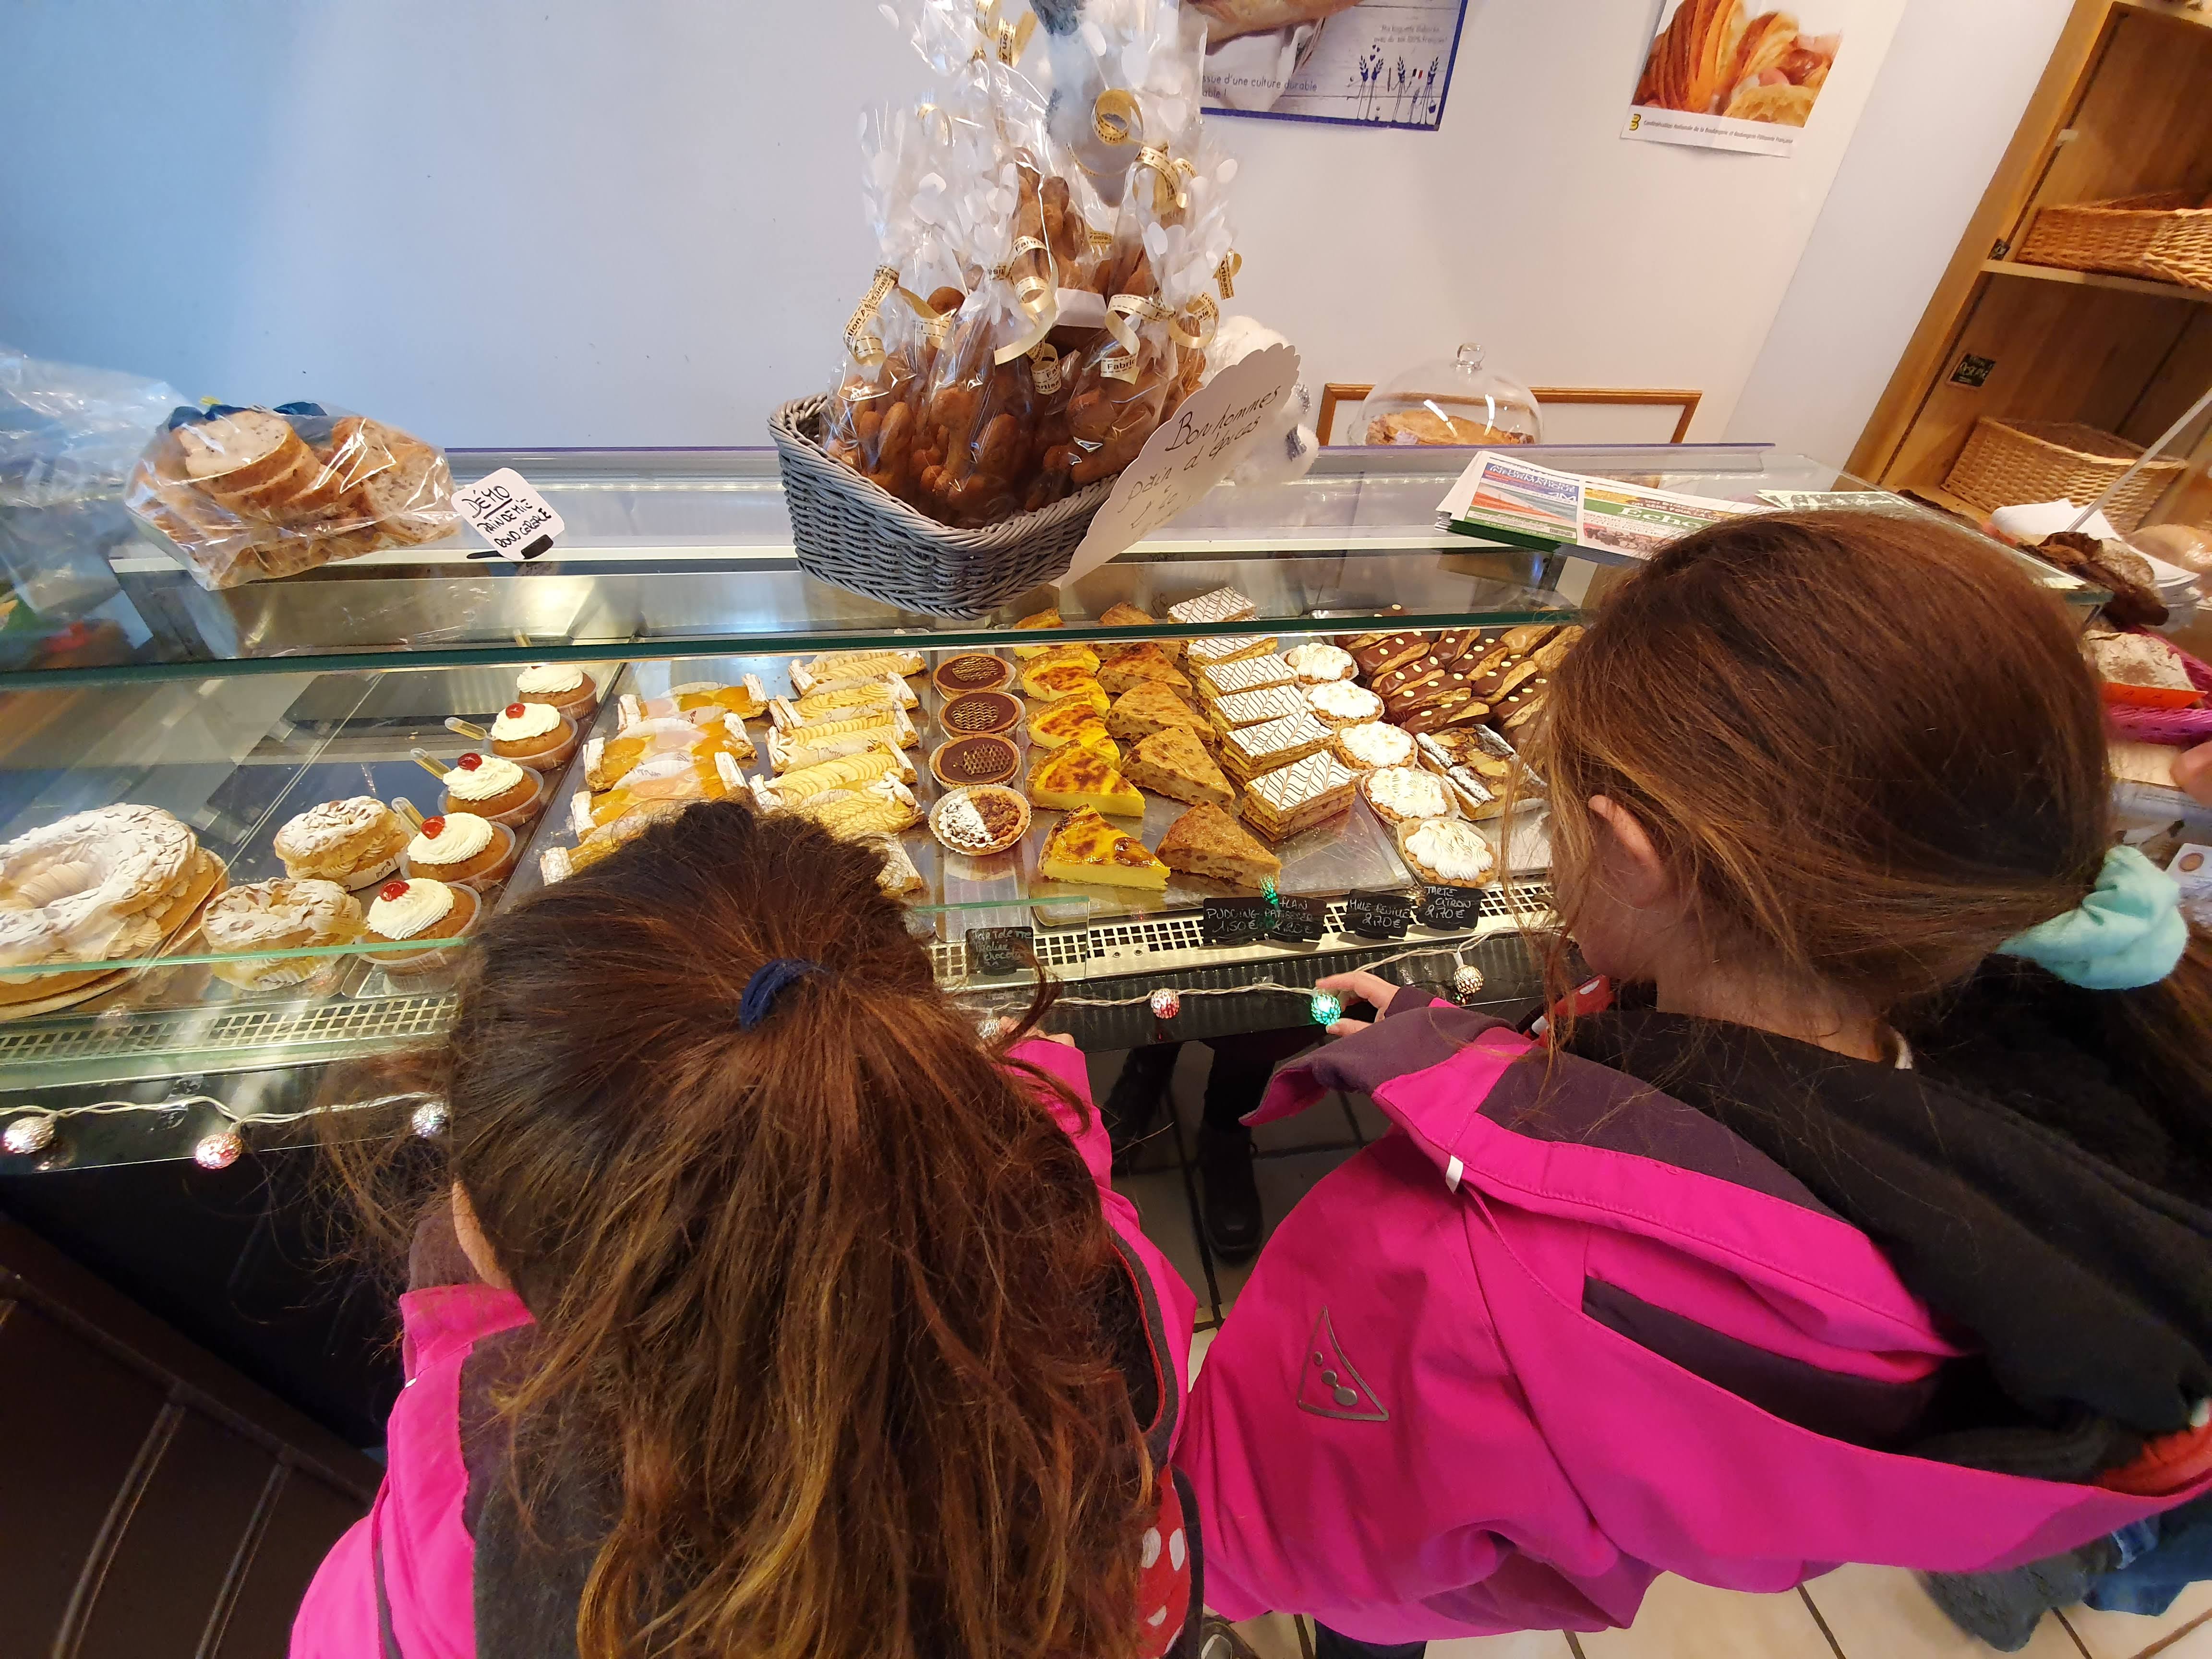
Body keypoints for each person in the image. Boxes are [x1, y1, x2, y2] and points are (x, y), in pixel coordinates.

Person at [1174, 511, 2212, 1655]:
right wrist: (1454, 1048)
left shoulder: (1478, 1265)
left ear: (1630, 855)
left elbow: (1284, 1507)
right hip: (1492, 1532)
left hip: (1340, 1538)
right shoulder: (2015, 1135)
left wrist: (1186, 1556)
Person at [293, 802, 1204, 1659]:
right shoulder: (1110, 1302)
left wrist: (460, 1341)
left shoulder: (453, 1521)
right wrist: (1049, 1121)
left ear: (489, 1228)